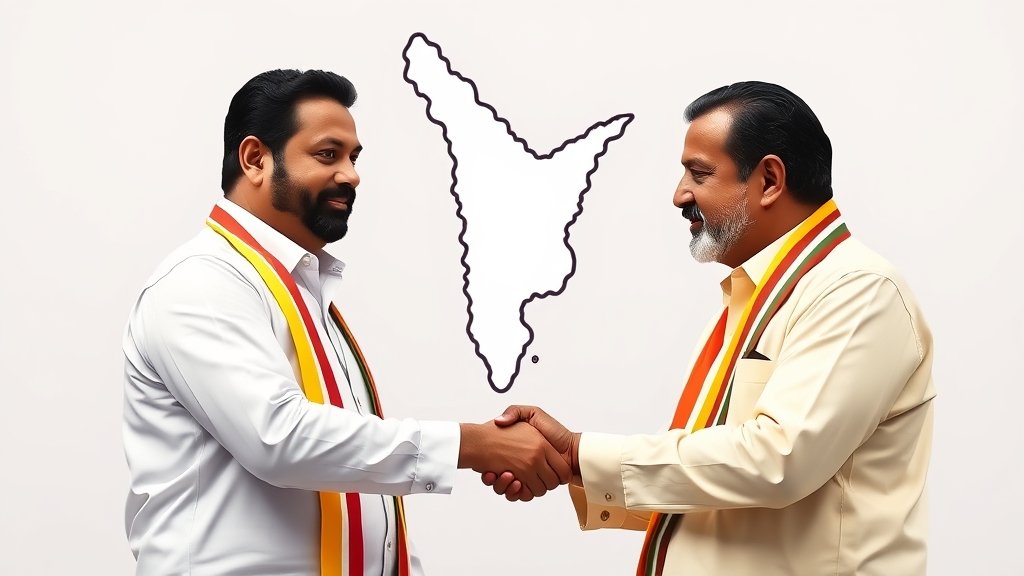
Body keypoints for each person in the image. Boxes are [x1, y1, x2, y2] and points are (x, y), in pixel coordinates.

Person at [121, 69, 570, 576]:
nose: (351, 175)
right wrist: (473, 444)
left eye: (354, 158)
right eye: (327, 154)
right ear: (255, 159)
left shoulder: (302, 295)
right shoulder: (201, 283)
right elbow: (280, 439)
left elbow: (357, 492)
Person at [484, 81, 936, 575]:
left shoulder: (857, 290)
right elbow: (720, 484)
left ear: (768, 180)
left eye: (699, 174)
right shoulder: (757, 293)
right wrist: (578, 462)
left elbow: (777, 461)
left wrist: (578, 456)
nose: (680, 194)